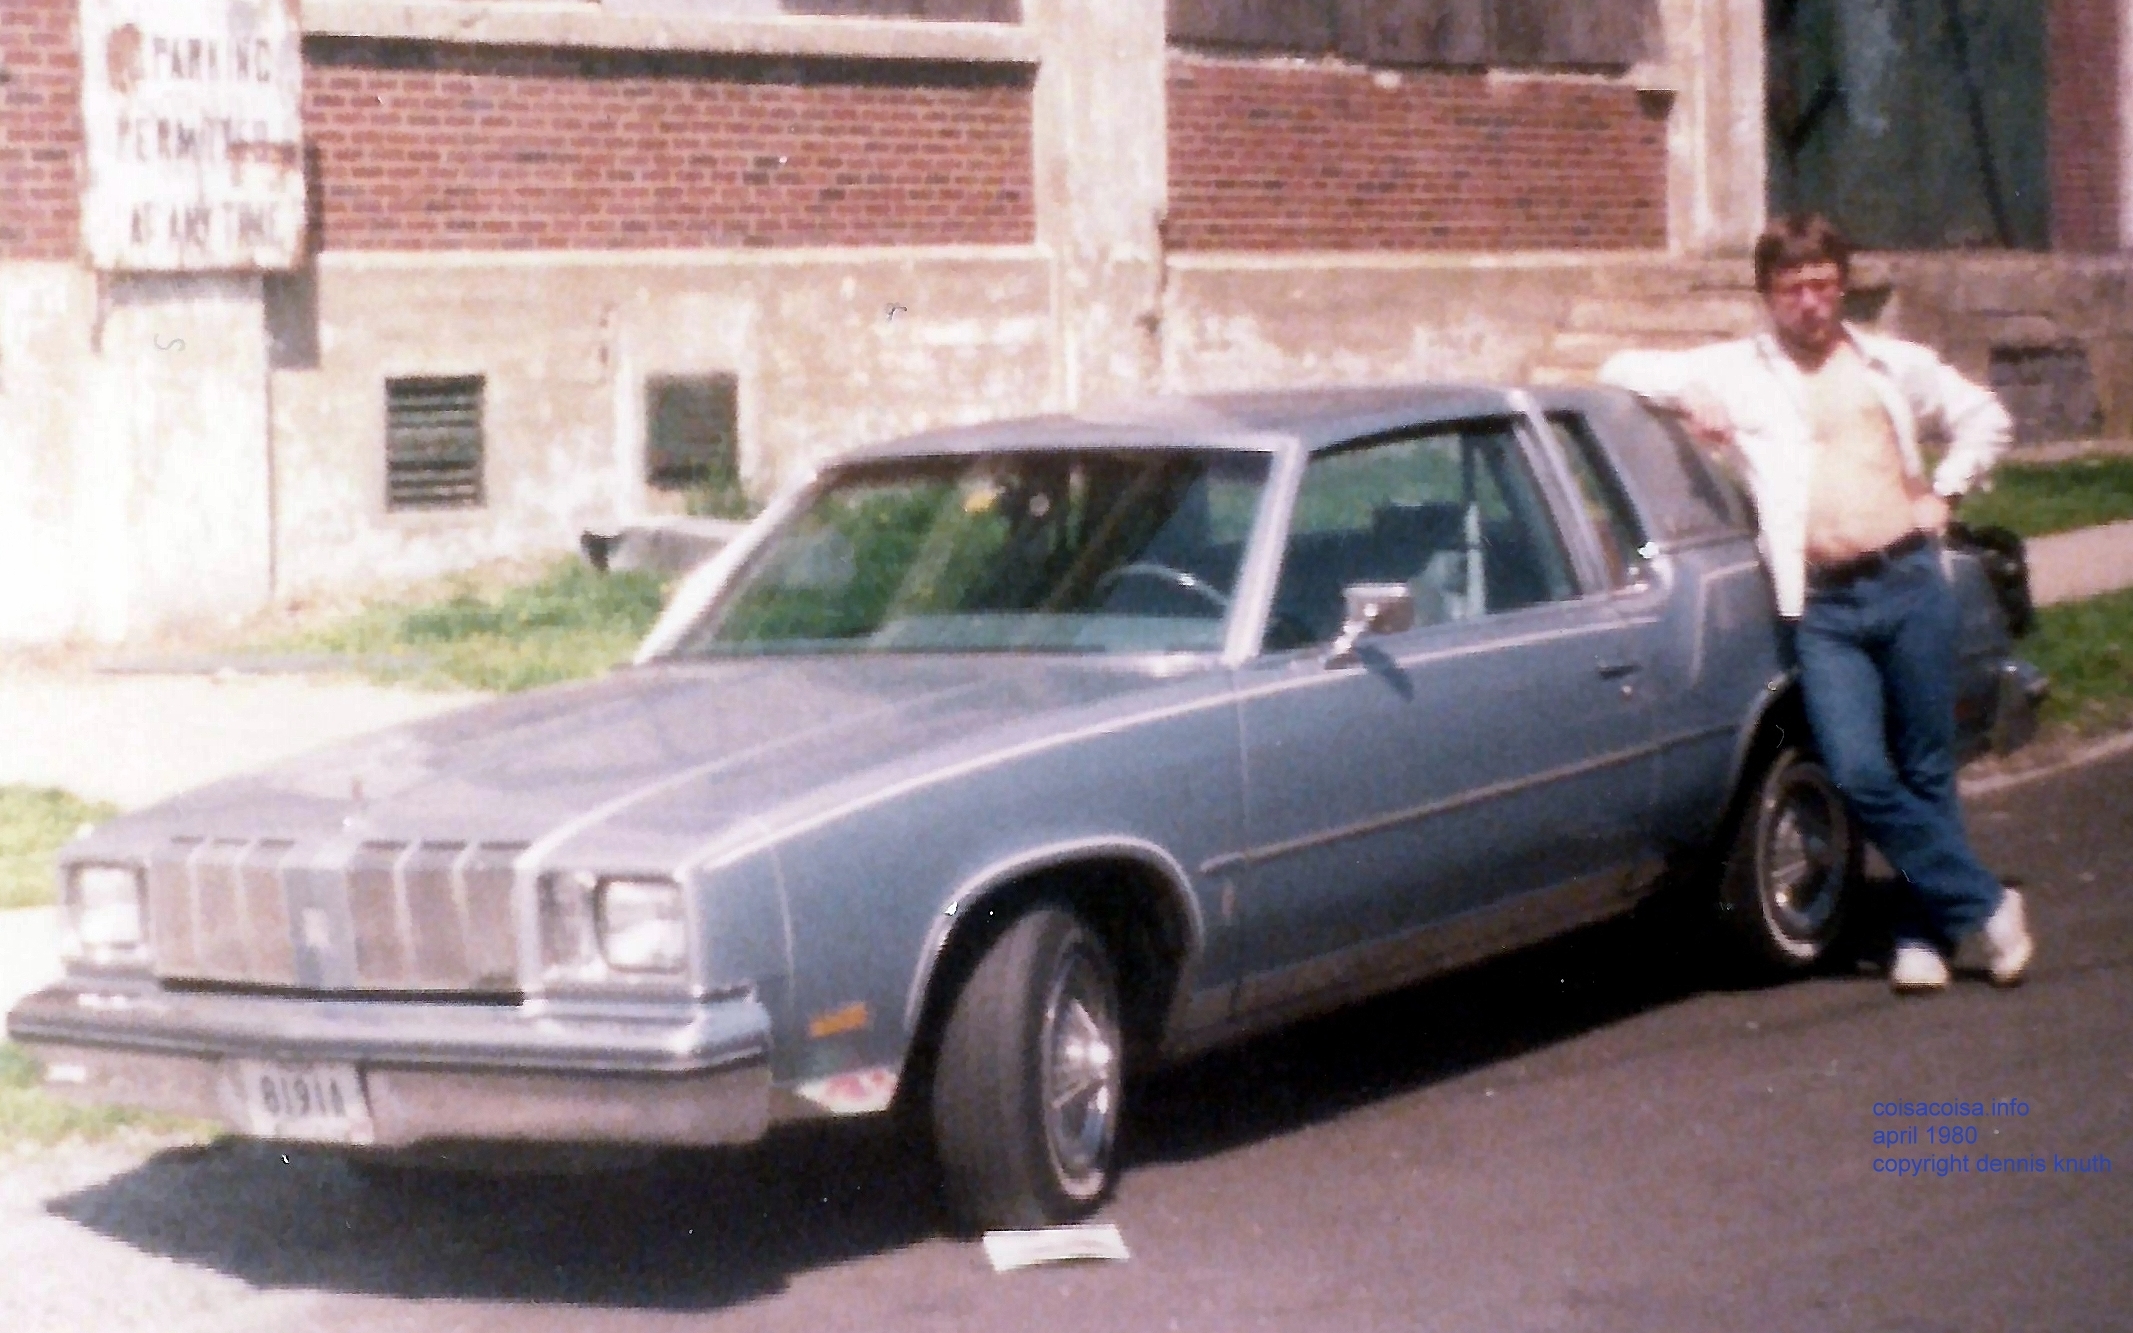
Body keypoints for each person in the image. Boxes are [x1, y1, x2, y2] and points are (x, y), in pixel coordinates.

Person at [1600, 213, 2034, 993]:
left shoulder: (1888, 364)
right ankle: (1982, 902)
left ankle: (1920, 937)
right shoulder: (1737, 369)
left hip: (1906, 583)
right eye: (1792, 288)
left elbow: (1984, 418)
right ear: (1766, 294)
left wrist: (1944, 491)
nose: (1810, 302)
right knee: (1858, 770)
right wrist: (1695, 395)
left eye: (1823, 286)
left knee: (1925, 767)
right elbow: (1617, 366)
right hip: (1824, 605)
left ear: (1842, 286)